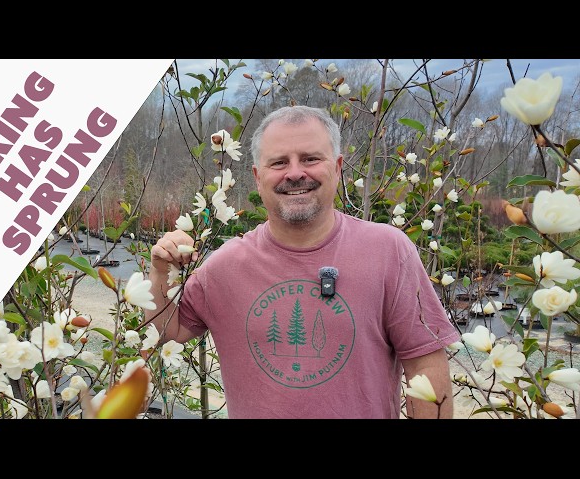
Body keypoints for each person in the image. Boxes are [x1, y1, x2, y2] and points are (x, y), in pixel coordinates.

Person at [146, 105, 460, 419]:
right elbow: (166, 331)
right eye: (279, 162)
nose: (295, 173)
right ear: (258, 178)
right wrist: (160, 270)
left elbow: (424, 363)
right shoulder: (225, 266)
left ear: (337, 168)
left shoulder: (388, 251)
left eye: (310, 159)